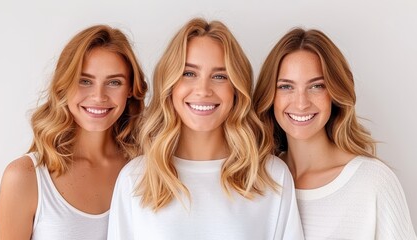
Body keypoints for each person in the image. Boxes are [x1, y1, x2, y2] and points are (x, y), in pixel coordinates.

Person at [107, 18, 304, 240]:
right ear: (170, 85)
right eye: (189, 73)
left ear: (236, 90)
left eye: (220, 76)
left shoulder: (272, 176)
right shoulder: (135, 178)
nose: (203, 90)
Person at [253, 27, 417, 239]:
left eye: (316, 86)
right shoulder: (257, 180)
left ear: (334, 94)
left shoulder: (372, 182)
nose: (301, 103)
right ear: (269, 96)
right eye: (286, 87)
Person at [0, 25, 147, 239]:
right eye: (84, 81)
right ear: (64, 85)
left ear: (131, 89)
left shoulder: (147, 170)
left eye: (114, 82)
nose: (98, 96)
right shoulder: (25, 177)